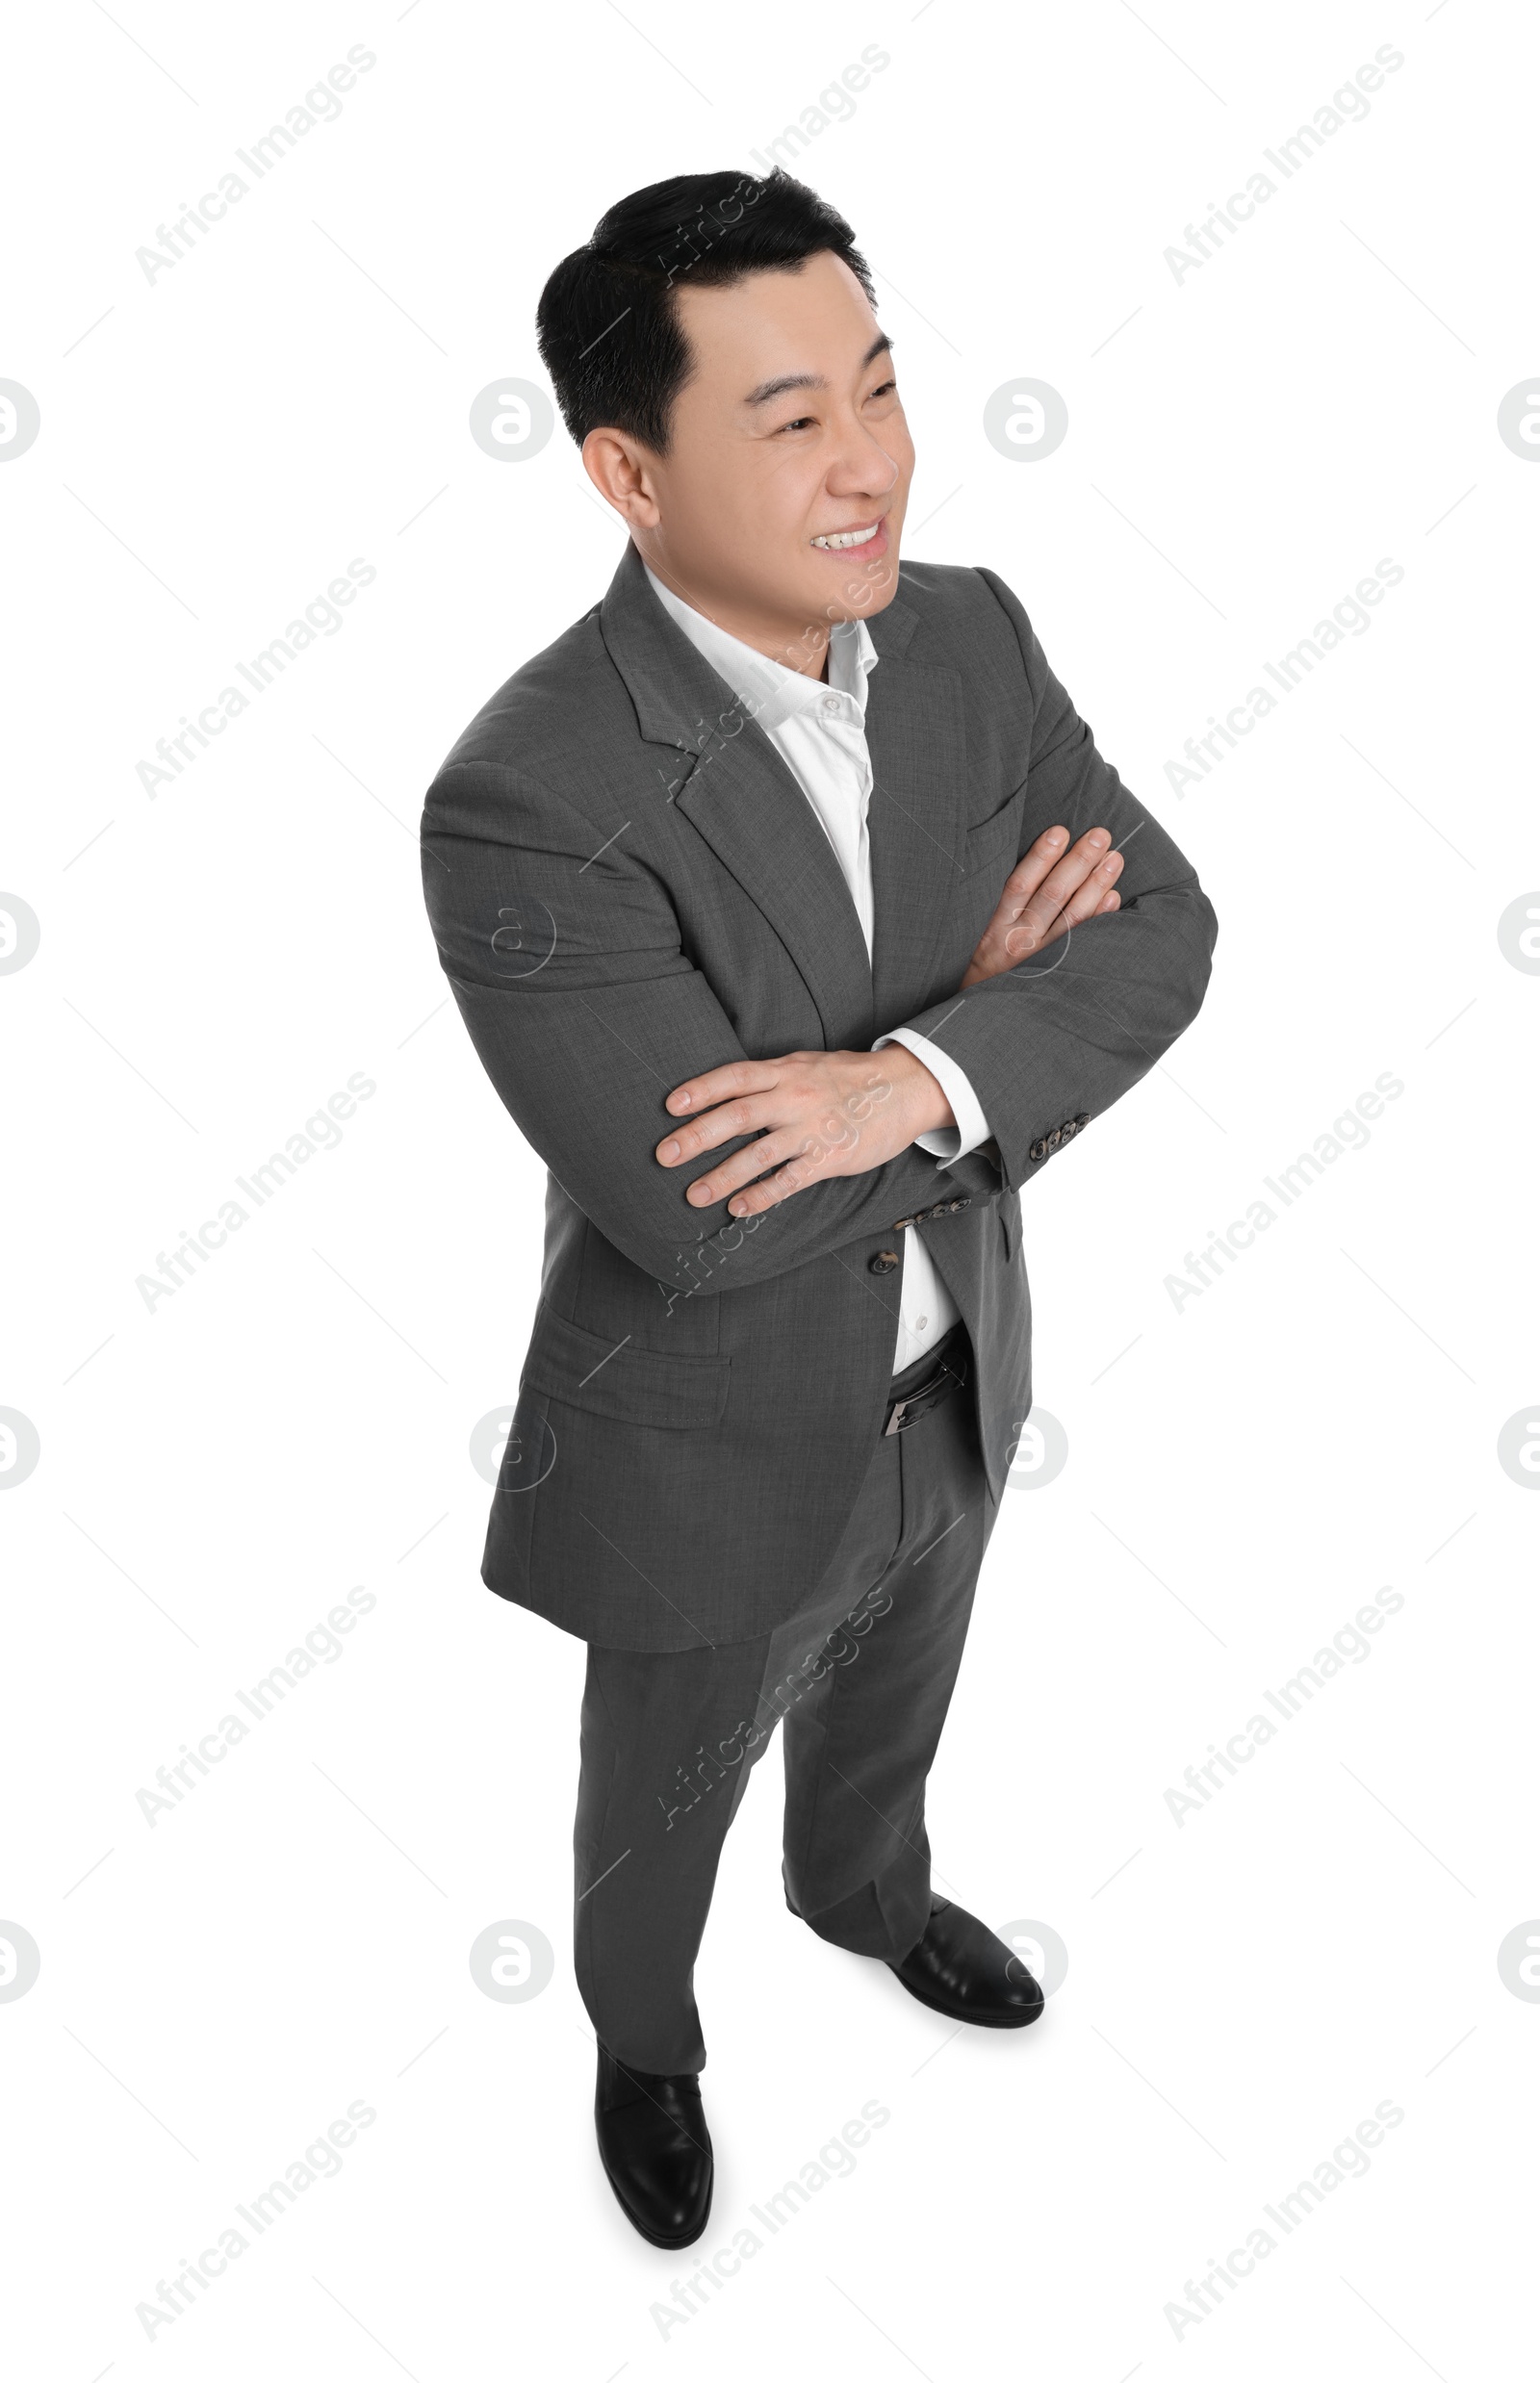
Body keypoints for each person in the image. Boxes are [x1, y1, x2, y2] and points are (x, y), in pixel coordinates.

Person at [420, 167, 1217, 2249]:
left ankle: (862, 1897)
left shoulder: (964, 634)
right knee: (657, 1799)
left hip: (947, 1369)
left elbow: (1167, 931)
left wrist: (897, 1084)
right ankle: (644, 2036)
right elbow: (710, 1221)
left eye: (877, 383)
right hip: (701, 1442)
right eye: (787, 420)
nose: (867, 462)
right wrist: (990, 1024)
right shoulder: (531, 793)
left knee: (894, 1694)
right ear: (626, 469)